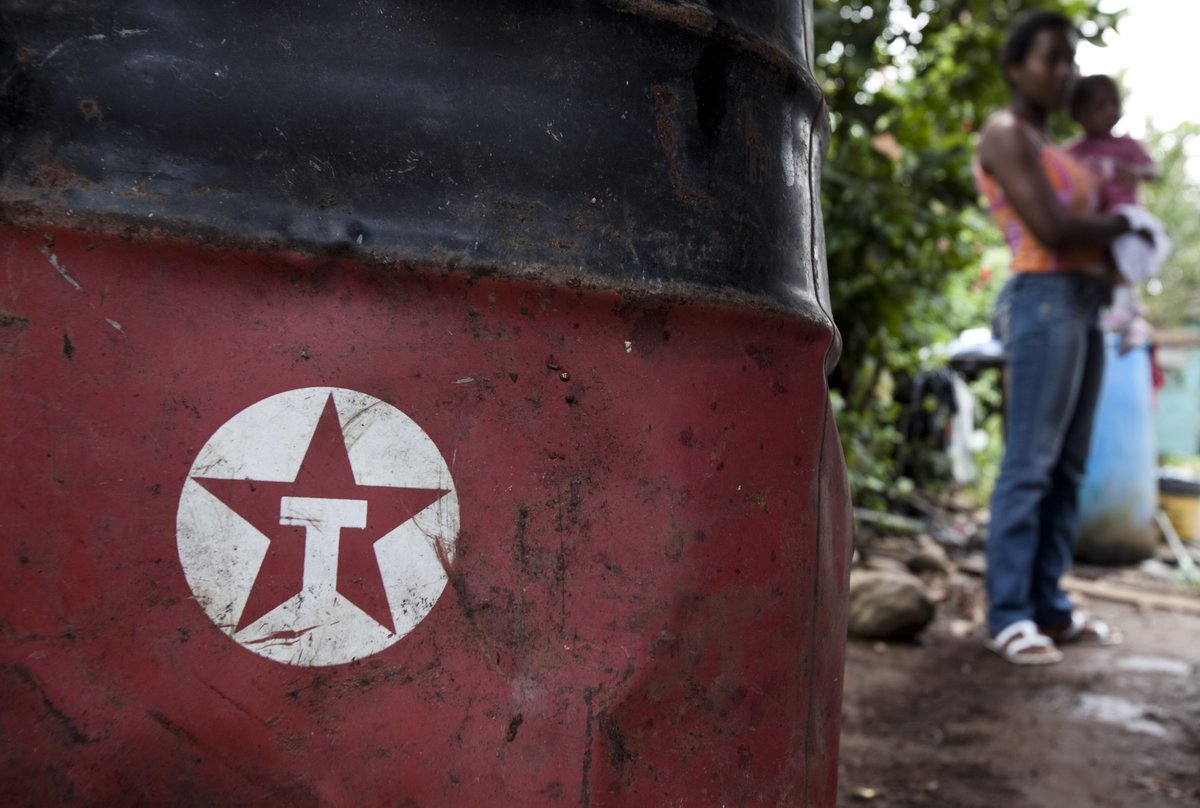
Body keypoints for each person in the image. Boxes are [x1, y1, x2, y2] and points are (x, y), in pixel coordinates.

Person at [974, 12, 1148, 664]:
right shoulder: (1005, 134)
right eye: (1050, 58)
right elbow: (1049, 228)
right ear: (1017, 66)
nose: (1063, 71)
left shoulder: (1061, 148)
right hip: (1041, 302)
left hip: (1084, 304)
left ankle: (1048, 603)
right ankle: (1009, 614)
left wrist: (1116, 232)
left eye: (1070, 60)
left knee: (1070, 465)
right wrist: (1127, 225)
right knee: (1031, 462)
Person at [1068, 74, 1168, 353]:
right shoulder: (1074, 152)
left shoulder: (1127, 146)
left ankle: (1128, 315)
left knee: (1125, 256)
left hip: (1129, 216)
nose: (1111, 111)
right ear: (1078, 114)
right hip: (1099, 224)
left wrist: (1135, 172)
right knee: (1109, 265)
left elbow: (1155, 171)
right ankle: (1130, 320)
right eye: (1101, 105)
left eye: (1115, 103)